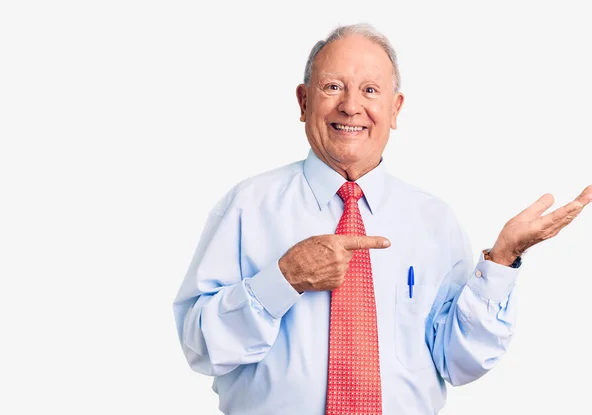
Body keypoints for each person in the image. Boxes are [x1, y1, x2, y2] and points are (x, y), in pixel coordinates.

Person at [173, 23, 591, 415]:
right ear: (304, 101)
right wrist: (283, 279)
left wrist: (502, 260)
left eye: (370, 90)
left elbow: (461, 361)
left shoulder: (433, 220)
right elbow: (201, 347)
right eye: (332, 86)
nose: (351, 106)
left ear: (395, 109)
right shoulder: (247, 206)